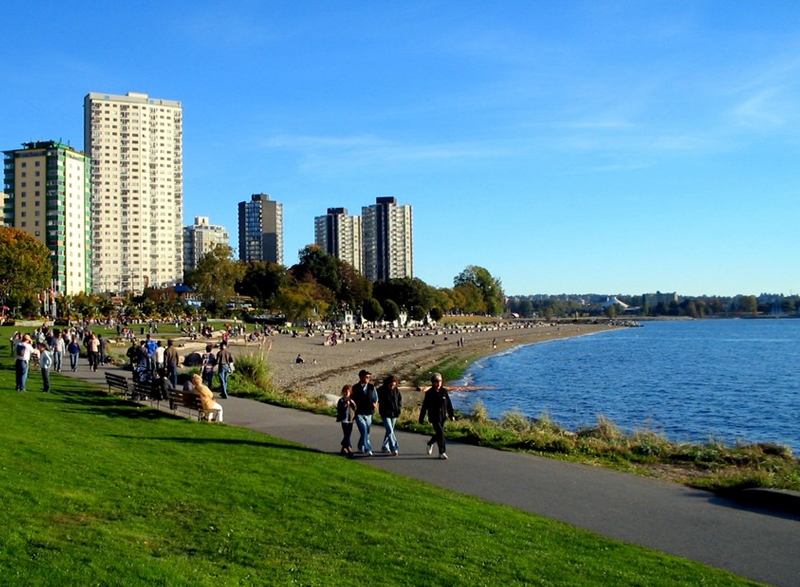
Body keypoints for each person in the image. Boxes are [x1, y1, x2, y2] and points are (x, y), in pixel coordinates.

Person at [419, 372, 456, 460]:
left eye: (440, 381)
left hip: (442, 416)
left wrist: (451, 415)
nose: (439, 383)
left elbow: (448, 404)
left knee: (439, 433)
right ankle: (442, 452)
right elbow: (424, 406)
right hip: (433, 417)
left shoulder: (444, 391)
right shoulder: (429, 393)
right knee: (441, 433)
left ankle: (430, 443)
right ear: (433, 382)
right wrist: (421, 418)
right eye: (437, 381)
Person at [352, 369, 378, 456]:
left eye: (369, 377)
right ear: (361, 377)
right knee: (364, 431)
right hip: (359, 412)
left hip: (369, 413)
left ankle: (360, 446)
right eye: (366, 377)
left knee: (367, 432)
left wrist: (375, 403)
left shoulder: (371, 387)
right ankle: (368, 449)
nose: (368, 378)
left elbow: (375, 398)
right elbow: (351, 398)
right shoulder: (355, 387)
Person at [378, 374, 402, 456]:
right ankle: (394, 448)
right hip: (385, 413)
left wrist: (399, 410)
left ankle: (385, 446)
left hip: (394, 413)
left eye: (394, 385)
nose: (392, 386)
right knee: (390, 430)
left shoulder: (396, 391)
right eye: (391, 385)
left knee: (389, 431)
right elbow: (375, 398)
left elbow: (399, 401)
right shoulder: (381, 390)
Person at [335, 385, 357, 455]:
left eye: (349, 391)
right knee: (346, 433)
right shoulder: (341, 400)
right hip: (344, 419)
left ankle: (343, 448)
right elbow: (339, 409)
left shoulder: (352, 399)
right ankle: (349, 447)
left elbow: (355, 409)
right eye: (346, 391)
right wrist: (345, 406)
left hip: (351, 419)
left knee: (348, 434)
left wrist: (353, 404)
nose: (347, 392)